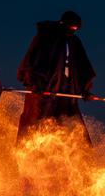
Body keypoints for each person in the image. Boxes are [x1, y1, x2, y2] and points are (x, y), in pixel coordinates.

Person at [16, 10, 96, 141]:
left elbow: (83, 67)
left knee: (72, 128)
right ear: (63, 24)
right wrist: (35, 84)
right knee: (37, 125)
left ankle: (76, 158)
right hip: (44, 92)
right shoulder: (46, 37)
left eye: (76, 29)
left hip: (66, 94)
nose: (73, 31)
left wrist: (85, 90)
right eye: (71, 28)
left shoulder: (74, 42)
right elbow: (31, 61)